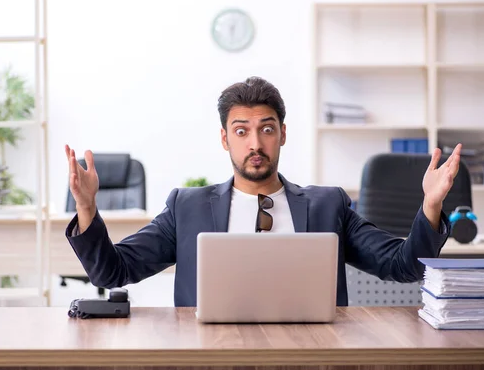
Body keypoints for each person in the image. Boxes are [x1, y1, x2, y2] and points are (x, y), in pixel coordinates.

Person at [64, 76, 462, 307]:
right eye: (242, 131)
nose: (255, 143)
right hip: (208, 355)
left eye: (266, 129)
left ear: (282, 134)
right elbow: (111, 271)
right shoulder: (187, 207)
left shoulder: (329, 205)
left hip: (312, 354)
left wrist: (430, 204)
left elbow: (404, 266)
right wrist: (85, 206)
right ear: (225, 139)